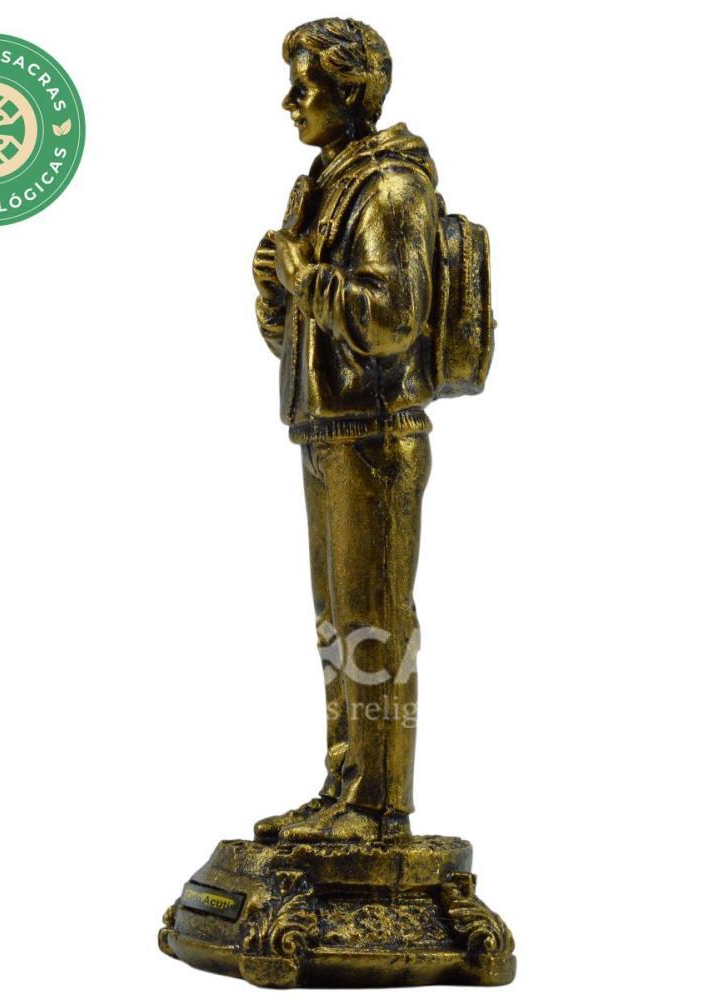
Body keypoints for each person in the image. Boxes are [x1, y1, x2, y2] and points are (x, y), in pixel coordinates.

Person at [252, 18, 440, 843]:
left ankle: (379, 804)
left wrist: (307, 279)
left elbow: (391, 318)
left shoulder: (390, 187)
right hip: (328, 428)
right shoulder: (326, 183)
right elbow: (306, 340)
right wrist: (277, 296)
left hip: (376, 435)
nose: (289, 102)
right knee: (338, 621)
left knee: (374, 622)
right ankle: (344, 785)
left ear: (352, 92)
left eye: (307, 87)